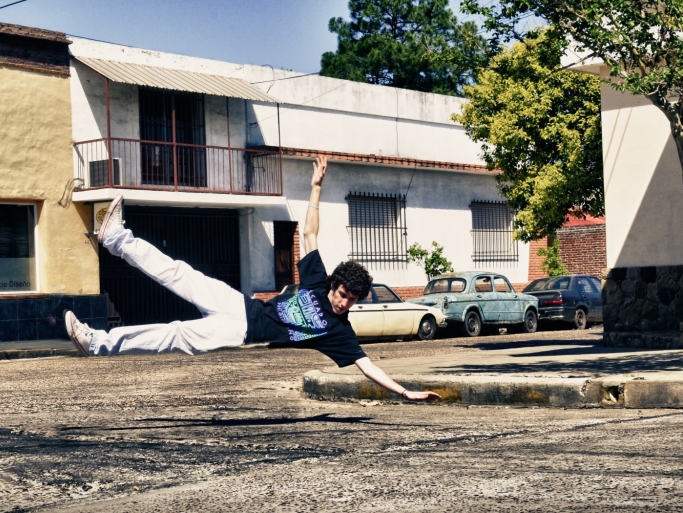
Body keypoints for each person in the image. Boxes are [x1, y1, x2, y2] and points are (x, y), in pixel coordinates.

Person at [65, 156, 440, 402]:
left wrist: (404, 392)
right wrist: (316, 187)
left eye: (351, 301)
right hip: (240, 305)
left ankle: (97, 342)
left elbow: (366, 365)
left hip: (240, 334)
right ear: (333, 285)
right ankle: (116, 239)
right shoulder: (315, 281)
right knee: (181, 272)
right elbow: (310, 235)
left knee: (175, 333)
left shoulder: (339, 332)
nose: (344, 302)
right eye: (342, 293)